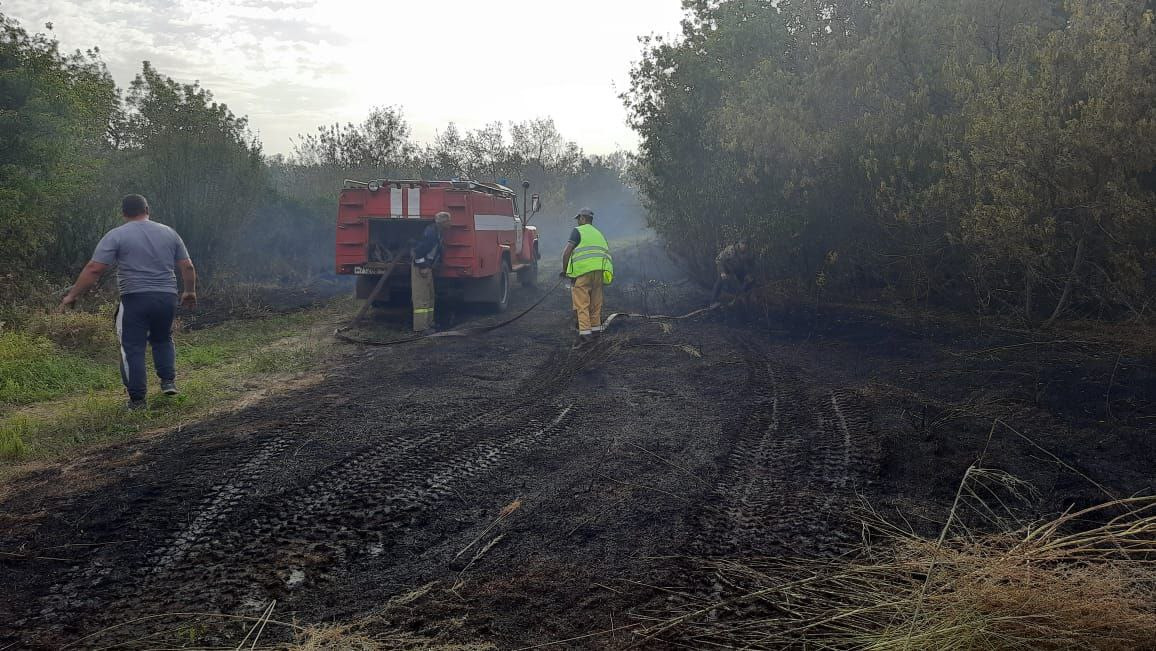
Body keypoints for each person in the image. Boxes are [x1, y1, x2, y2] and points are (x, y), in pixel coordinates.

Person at [59, 195, 196, 410]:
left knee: (132, 347)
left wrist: (73, 295)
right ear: (147, 209)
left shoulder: (117, 235)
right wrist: (189, 291)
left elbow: (94, 268)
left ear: (123, 213)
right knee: (162, 338)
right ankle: (168, 381)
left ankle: (137, 400)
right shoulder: (170, 233)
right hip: (166, 296)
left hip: (135, 298)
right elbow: (187, 266)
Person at [561, 207, 614, 348]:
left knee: (582, 304)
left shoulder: (578, 231)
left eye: (579, 218)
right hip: (599, 272)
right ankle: (596, 332)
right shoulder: (599, 233)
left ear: (583, 218)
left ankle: (585, 337)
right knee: (596, 304)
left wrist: (565, 271)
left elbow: (566, 253)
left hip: (584, 273)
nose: (578, 221)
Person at [411, 211, 452, 332]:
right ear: (443, 222)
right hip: (420, 267)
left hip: (427, 267)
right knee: (421, 297)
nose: (450, 223)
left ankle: (429, 323)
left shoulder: (438, 232)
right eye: (449, 221)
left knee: (429, 296)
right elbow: (418, 251)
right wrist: (422, 266)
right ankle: (420, 328)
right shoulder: (431, 233)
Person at [711, 240, 754, 306]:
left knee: (746, 281)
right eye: (742, 243)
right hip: (724, 266)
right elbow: (719, 260)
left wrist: (747, 274)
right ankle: (713, 302)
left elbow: (747, 265)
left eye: (746, 244)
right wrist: (722, 272)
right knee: (720, 281)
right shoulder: (731, 250)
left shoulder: (747, 252)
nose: (744, 246)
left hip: (735, 268)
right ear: (739, 243)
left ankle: (738, 299)